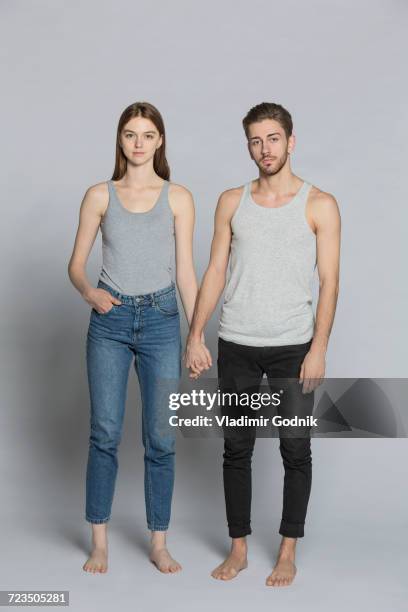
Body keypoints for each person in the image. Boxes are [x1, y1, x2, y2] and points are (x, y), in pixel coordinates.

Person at [185, 102, 340, 587]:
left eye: (273, 138)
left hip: (294, 346)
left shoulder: (320, 204)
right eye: (255, 140)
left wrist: (319, 348)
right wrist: (195, 335)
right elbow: (214, 271)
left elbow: (330, 282)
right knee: (237, 449)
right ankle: (238, 549)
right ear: (247, 145)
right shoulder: (232, 201)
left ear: (290, 142)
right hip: (237, 343)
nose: (264, 149)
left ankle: (288, 550)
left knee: (296, 450)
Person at [68, 101, 201, 574]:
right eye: (130, 134)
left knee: (161, 438)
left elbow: (186, 272)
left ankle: (158, 542)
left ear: (160, 140)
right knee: (104, 432)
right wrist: (90, 293)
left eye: (147, 134)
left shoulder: (179, 197)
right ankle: (99, 540)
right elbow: (75, 264)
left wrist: (196, 334)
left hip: (163, 320)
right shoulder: (99, 195)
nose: (139, 142)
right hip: (111, 320)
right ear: (120, 140)